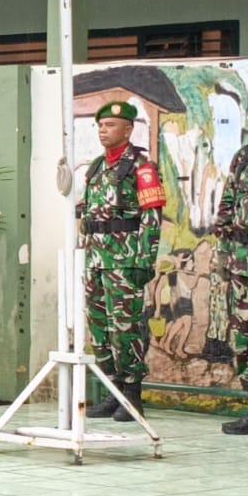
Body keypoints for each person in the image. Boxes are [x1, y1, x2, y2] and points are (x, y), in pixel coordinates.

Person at [77, 100, 164, 421]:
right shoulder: (97, 166)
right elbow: (87, 213)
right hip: (96, 260)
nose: (103, 130)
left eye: (110, 125)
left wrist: (144, 260)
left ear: (128, 129)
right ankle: (112, 391)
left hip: (125, 261)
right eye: (100, 125)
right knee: (99, 327)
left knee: (124, 327)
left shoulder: (141, 166)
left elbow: (152, 218)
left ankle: (131, 395)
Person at [213, 96, 248, 434]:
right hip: (244, 262)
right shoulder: (246, 156)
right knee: (246, 338)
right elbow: (227, 205)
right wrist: (223, 255)